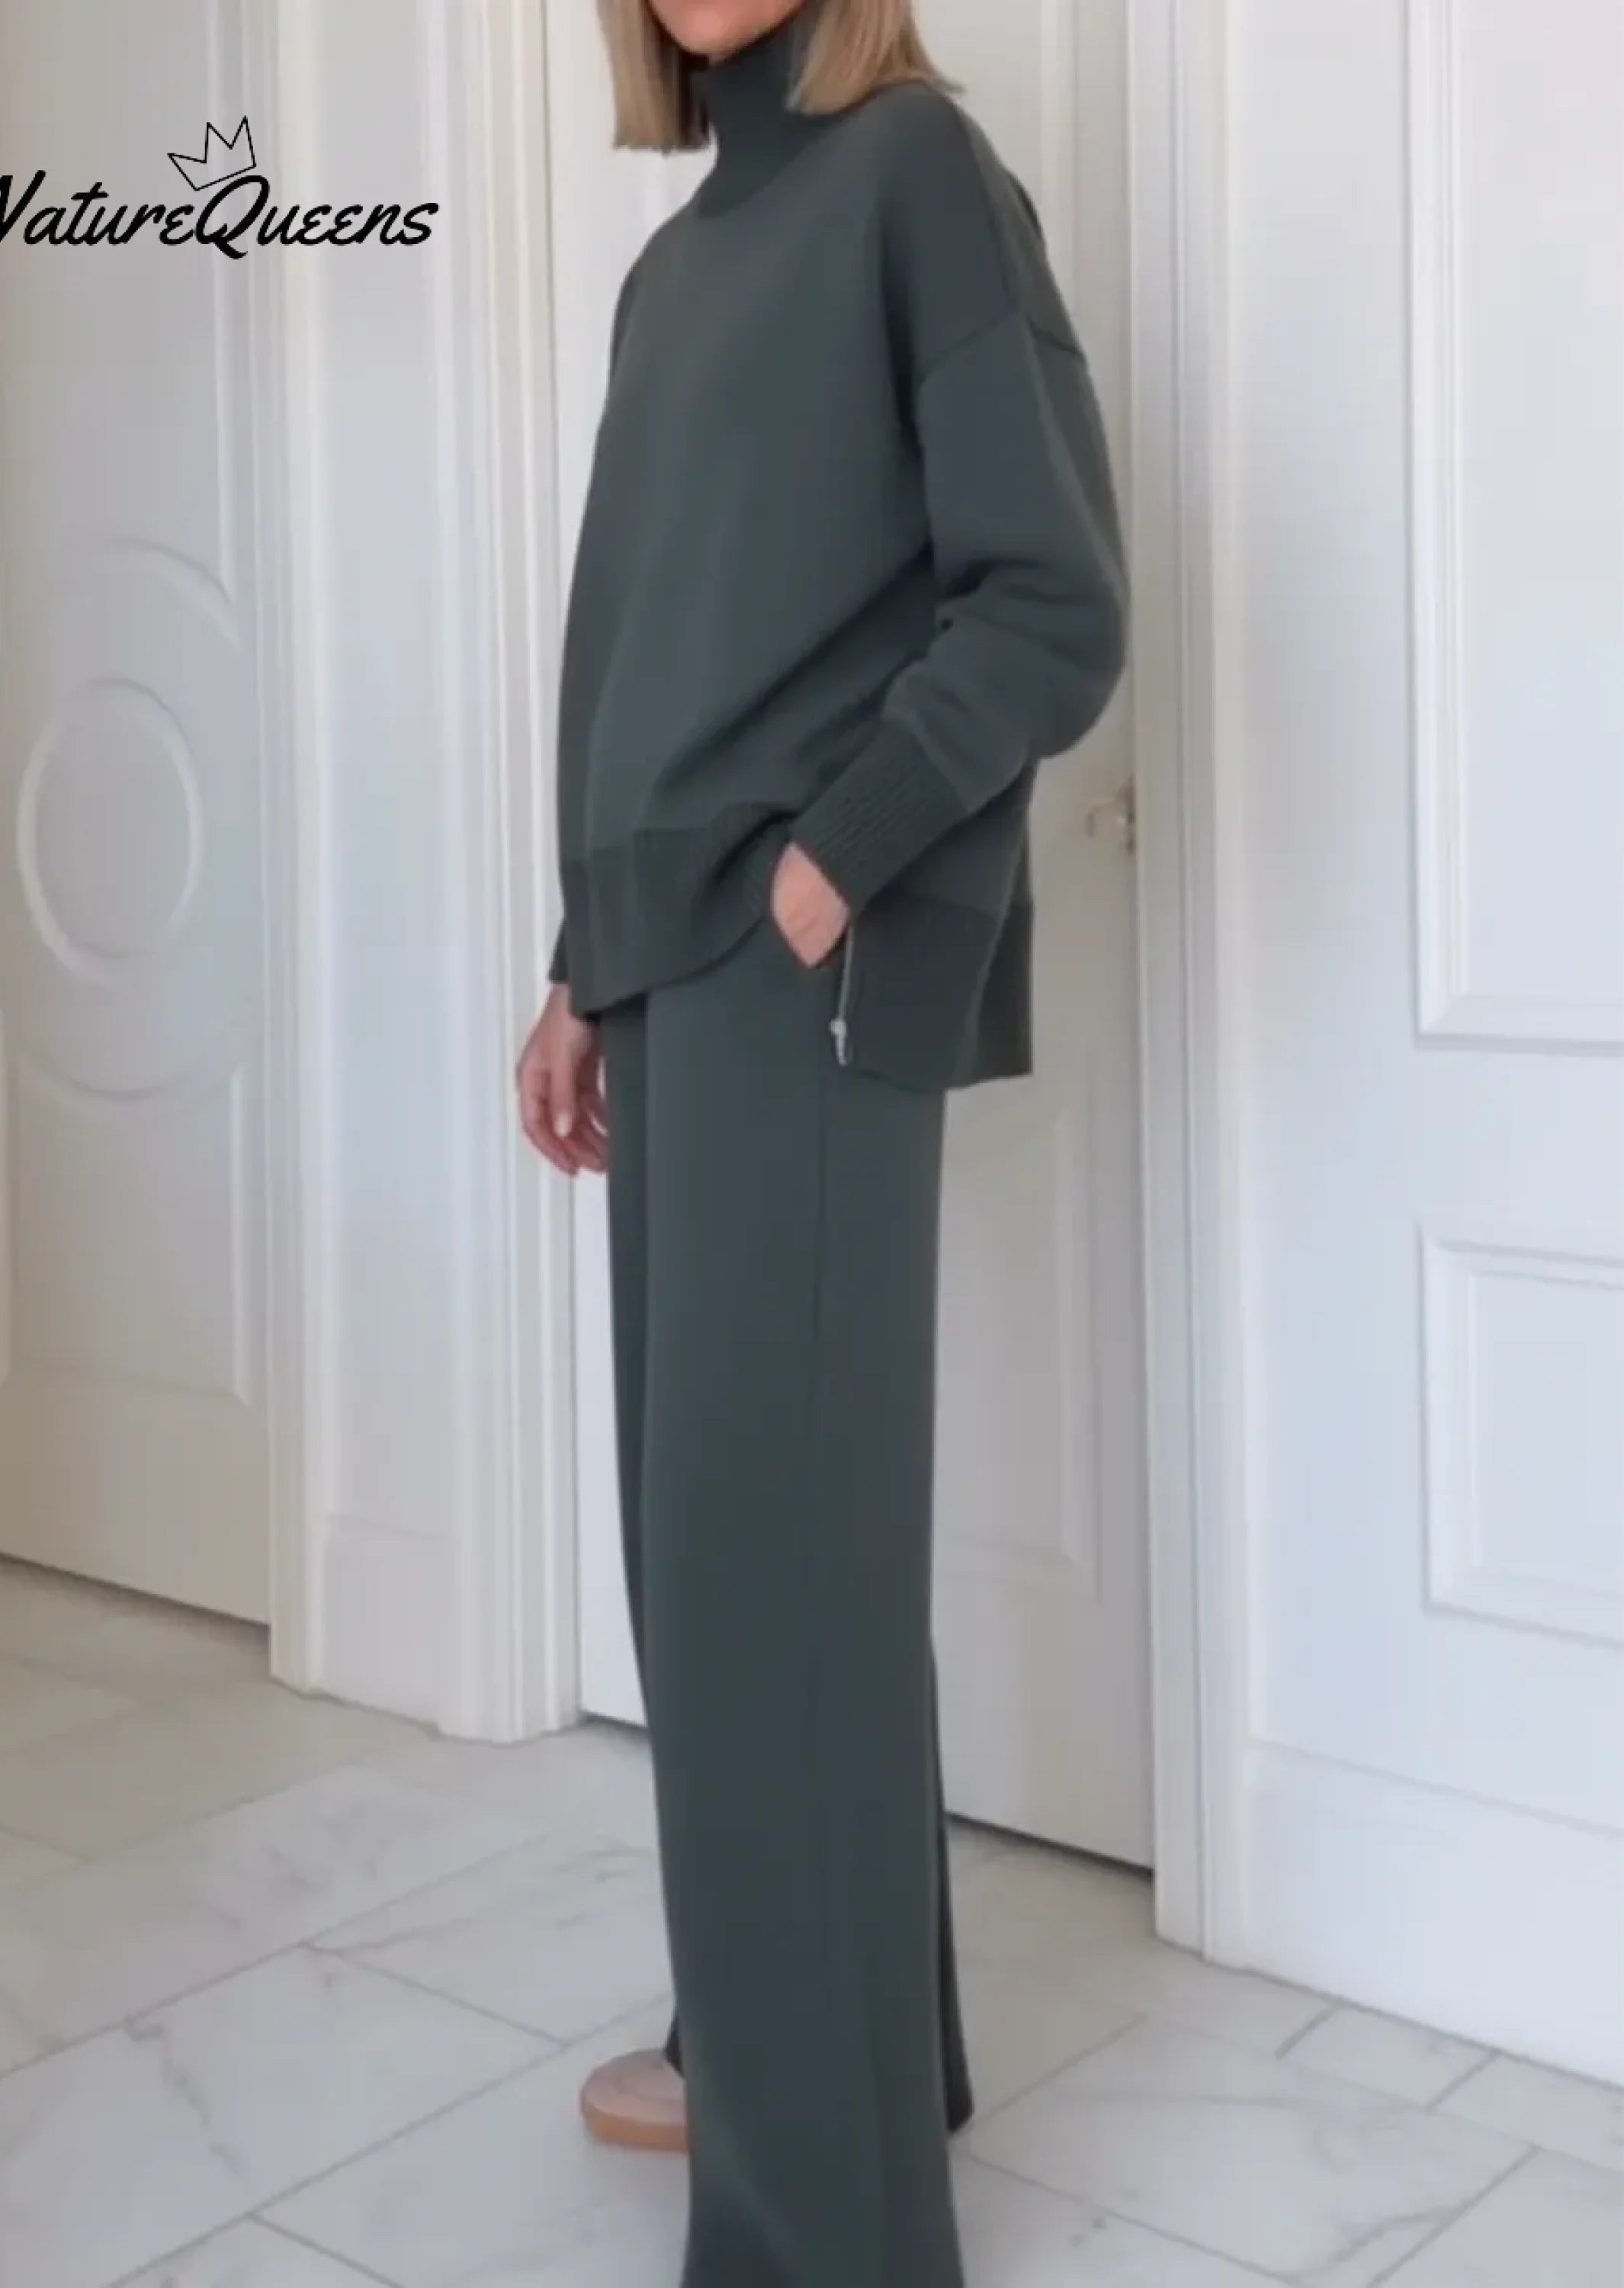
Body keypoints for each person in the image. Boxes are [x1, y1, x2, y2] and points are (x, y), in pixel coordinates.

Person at [516, 0, 1126, 2278]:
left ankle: (819, 2226)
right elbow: (645, 659)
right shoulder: (679, 263)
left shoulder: (916, 180)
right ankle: (829, 2056)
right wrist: (582, 961)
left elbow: (1051, 601)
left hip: (803, 971)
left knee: (772, 1580)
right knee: (736, 1580)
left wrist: (830, 860)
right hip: (670, 975)